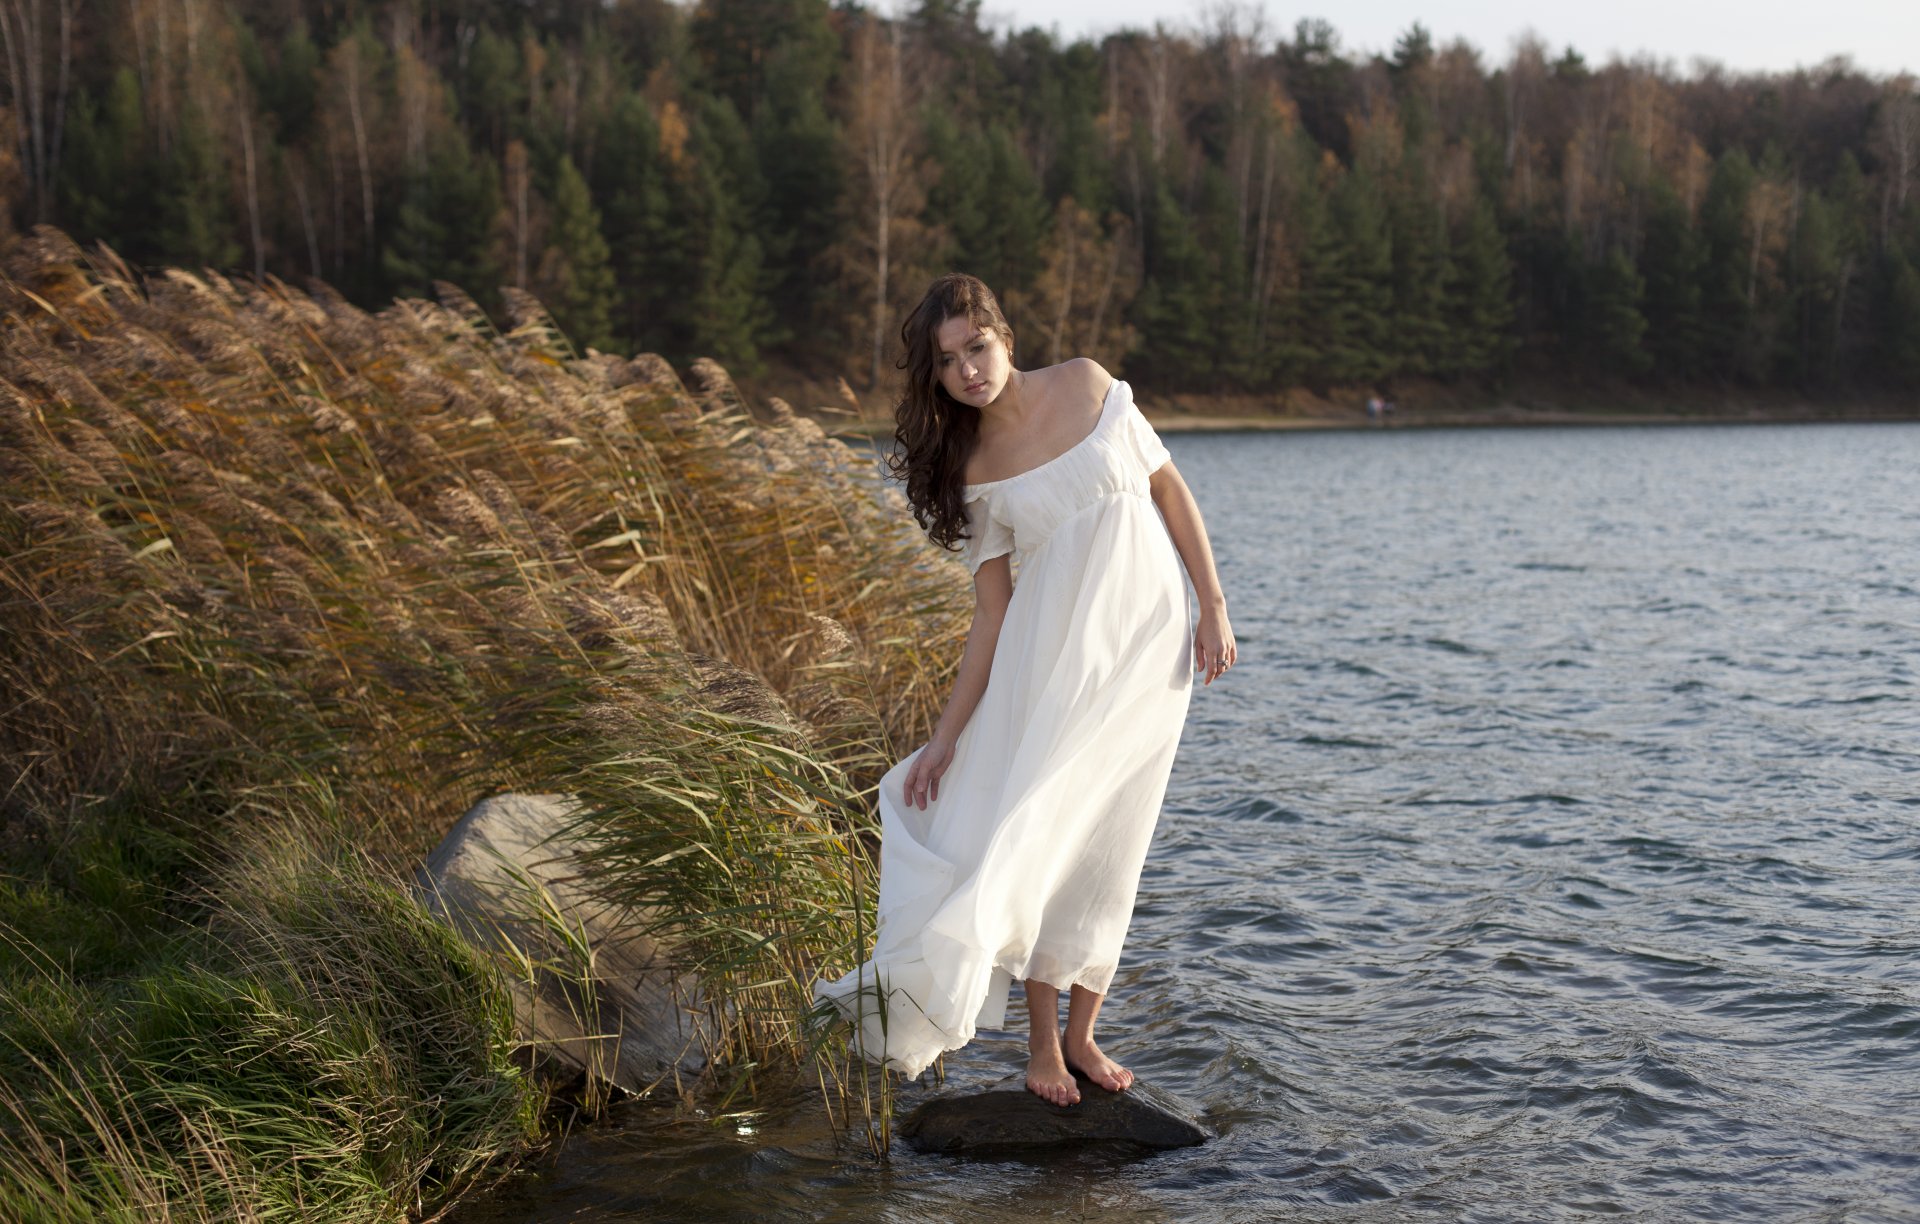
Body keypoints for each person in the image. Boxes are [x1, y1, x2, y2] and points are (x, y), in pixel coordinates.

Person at [813, 272, 1236, 1108]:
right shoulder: (975, 466)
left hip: (1148, 655)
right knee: (1042, 834)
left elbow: (1168, 488)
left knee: (1115, 838)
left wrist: (1213, 606)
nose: (967, 370)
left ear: (1005, 337)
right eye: (947, 361)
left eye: (976, 347)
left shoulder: (1088, 384)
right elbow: (992, 615)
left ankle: (1084, 1034)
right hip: (1053, 667)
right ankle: (1043, 1045)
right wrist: (945, 738)